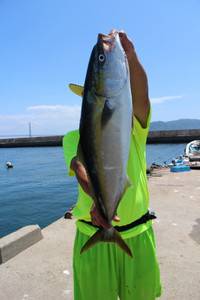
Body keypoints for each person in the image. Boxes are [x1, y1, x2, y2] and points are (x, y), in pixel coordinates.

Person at [63, 30, 162, 300]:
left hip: (138, 232)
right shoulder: (73, 138)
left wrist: (130, 54)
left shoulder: (134, 130)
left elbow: (141, 96)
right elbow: (81, 168)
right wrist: (98, 201)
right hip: (91, 231)